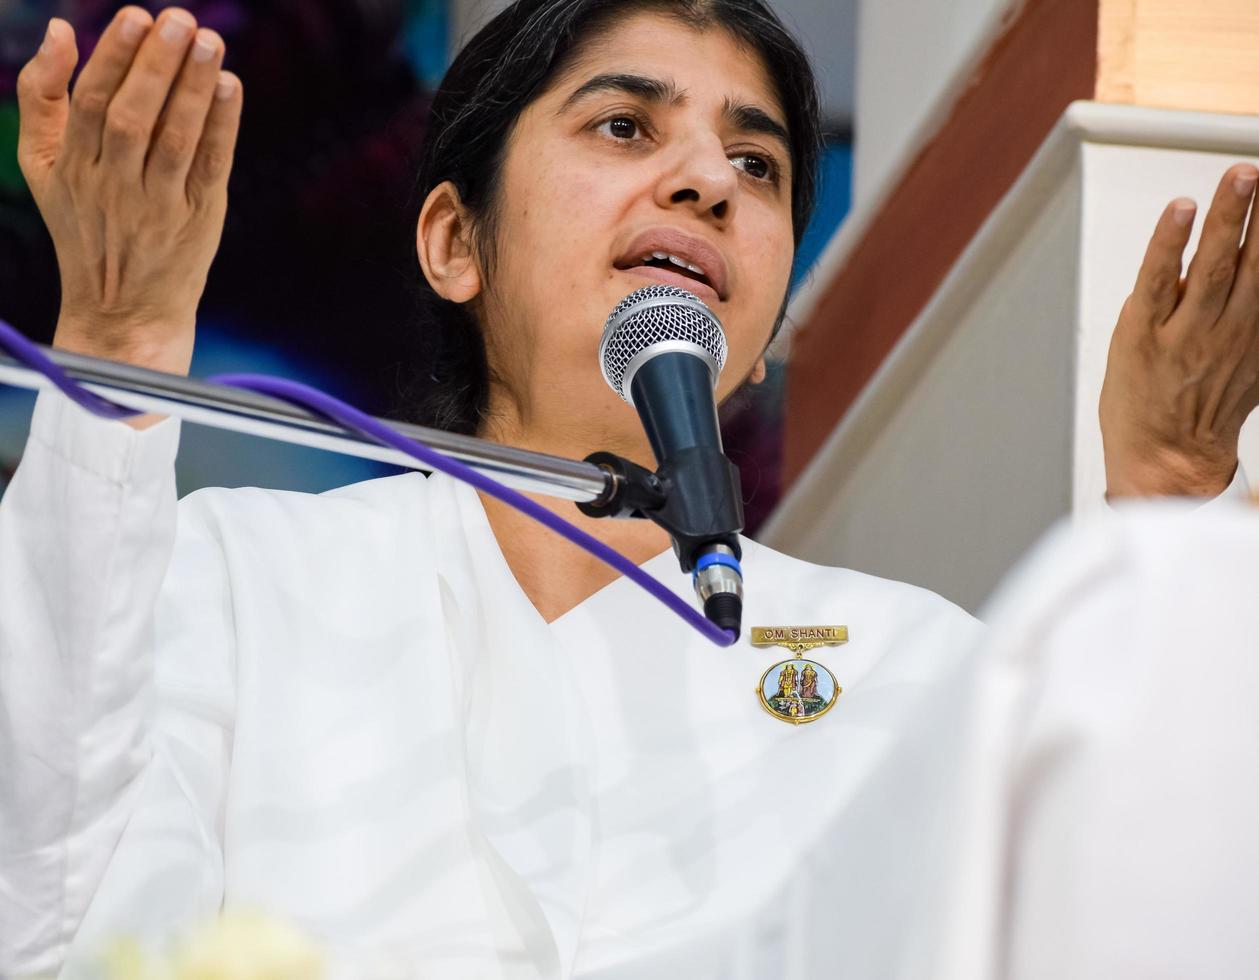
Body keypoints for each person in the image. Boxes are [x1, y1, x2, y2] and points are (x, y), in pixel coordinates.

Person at [1, 1, 1256, 977]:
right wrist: (115, 339)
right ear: (453, 242)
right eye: (623, 126)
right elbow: (56, 908)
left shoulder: (912, 662)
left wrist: (1166, 509)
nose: (708, 179)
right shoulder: (237, 573)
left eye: (757, 166)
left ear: (757, 336)